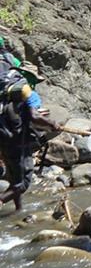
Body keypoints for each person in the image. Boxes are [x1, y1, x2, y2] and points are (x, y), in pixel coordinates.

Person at [0, 62, 61, 211]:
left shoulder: (4, 92)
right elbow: (34, 116)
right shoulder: (30, 94)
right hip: (18, 143)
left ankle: (18, 210)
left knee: (14, 178)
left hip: (3, 140)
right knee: (22, 183)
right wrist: (52, 123)